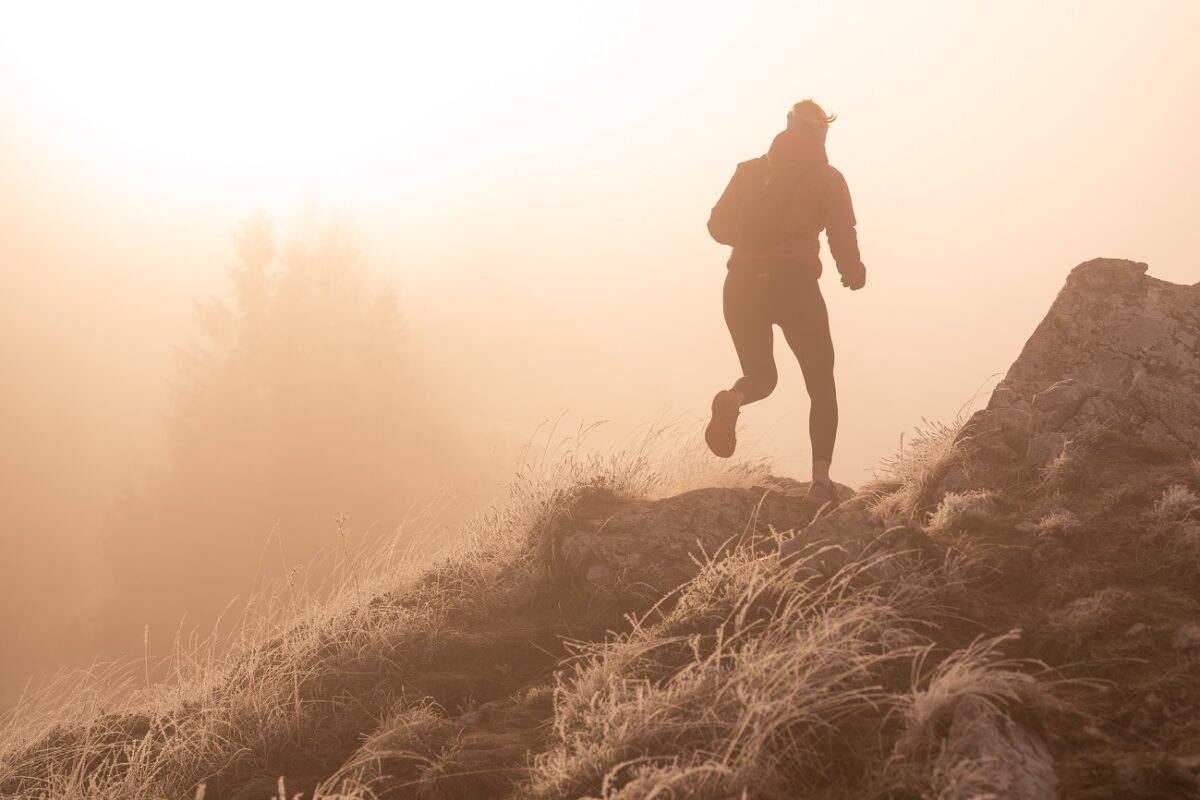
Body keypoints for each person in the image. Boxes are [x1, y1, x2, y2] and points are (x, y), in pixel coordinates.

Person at [704, 98, 866, 508]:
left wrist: (752, 239)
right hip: (793, 287)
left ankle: (733, 399)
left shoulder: (749, 171)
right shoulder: (827, 177)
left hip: (740, 285)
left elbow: (717, 226)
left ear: (787, 127)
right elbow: (841, 231)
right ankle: (820, 483)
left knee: (761, 376)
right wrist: (853, 271)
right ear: (821, 134)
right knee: (820, 384)